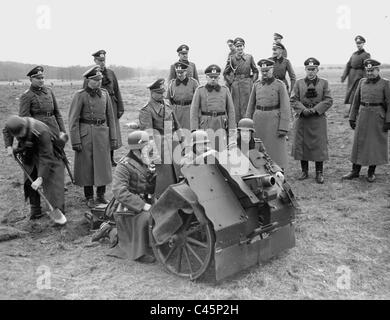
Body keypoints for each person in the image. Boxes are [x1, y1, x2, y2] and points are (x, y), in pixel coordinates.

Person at [69, 66, 117, 208]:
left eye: (100, 79)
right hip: (86, 135)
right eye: (96, 80)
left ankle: (101, 195)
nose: (99, 82)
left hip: (102, 133)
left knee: (103, 165)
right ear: (89, 80)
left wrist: (113, 137)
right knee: (87, 167)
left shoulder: (105, 94)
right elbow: (73, 120)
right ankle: (89, 196)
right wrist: (75, 140)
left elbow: (111, 117)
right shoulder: (80, 95)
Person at [3, 116, 65, 220]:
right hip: (29, 151)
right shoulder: (14, 124)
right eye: (16, 135)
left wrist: (40, 178)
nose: (19, 137)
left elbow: (46, 156)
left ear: (24, 128)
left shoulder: (41, 131)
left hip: (49, 153)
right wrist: (8, 146)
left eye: (20, 134)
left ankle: (58, 210)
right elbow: (6, 130)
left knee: (52, 182)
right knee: (30, 179)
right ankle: (35, 210)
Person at [342, 59, 390, 183]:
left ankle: (371, 172)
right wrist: (352, 117)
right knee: (359, 142)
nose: (369, 73)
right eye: (367, 70)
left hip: (378, 117)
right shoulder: (362, 82)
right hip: (363, 116)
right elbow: (356, 101)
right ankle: (355, 171)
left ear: (378, 70)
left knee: (374, 144)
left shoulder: (385, 83)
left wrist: (388, 121)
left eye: (372, 70)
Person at [290, 58, 333, 184]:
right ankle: (304, 171)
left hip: (318, 118)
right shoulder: (298, 83)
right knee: (302, 144)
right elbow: (293, 99)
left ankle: (319, 172)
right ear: (305, 70)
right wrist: (303, 110)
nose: (311, 72)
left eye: (313, 69)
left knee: (319, 145)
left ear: (317, 69)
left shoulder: (324, 83)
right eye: (309, 69)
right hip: (303, 118)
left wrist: (315, 110)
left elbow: (328, 100)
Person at [139, 78, 182, 198]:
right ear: (152, 93)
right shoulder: (146, 110)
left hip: (173, 144)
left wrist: (183, 140)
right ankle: (160, 198)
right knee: (163, 178)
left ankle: (177, 196)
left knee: (178, 173)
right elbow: (148, 134)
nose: (162, 95)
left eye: (163, 92)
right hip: (160, 147)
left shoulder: (167, 104)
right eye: (159, 93)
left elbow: (177, 124)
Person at [245, 59, 290, 170]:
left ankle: (279, 171)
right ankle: (261, 170)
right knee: (258, 148)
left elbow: (285, 107)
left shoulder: (280, 85)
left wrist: (283, 127)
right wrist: (246, 124)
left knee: (275, 150)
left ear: (272, 69)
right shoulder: (256, 85)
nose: (264, 73)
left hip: (274, 121)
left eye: (267, 70)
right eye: (262, 70)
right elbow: (250, 105)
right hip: (258, 121)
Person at [89, 50, 124, 166]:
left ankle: (111, 158)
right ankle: (101, 159)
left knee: (112, 132)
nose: (102, 63)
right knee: (101, 132)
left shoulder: (111, 73)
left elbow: (117, 90)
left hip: (112, 106)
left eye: (103, 60)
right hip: (99, 107)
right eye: (99, 60)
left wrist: (120, 107)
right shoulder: (90, 74)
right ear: (94, 61)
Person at [190, 64, 237, 151]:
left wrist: (232, 129)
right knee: (207, 149)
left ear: (219, 78)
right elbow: (194, 111)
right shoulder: (200, 90)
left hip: (221, 124)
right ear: (206, 77)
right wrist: (194, 129)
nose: (213, 79)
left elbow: (231, 111)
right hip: (206, 124)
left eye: (215, 77)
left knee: (222, 149)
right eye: (210, 77)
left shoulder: (225, 90)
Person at [19, 66, 67, 138]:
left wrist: (63, 131)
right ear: (31, 79)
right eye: (38, 78)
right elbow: (24, 117)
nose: (41, 80)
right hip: (38, 130)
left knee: (57, 148)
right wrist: (32, 132)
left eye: (42, 78)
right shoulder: (27, 95)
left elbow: (57, 113)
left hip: (53, 127)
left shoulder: (49, 91)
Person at [223, 37, 259, 123]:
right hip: (236, 86)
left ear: (244, 46)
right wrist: (231, 82)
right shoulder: (232, 58)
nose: (239, 48)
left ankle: (249, 126)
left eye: (241, 46)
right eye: (237, 46)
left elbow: (255, 71)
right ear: (235, 47)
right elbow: (225, 73)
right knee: (236, 107)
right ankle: (237, 128)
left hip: (247, 85)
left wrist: (252, 81)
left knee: (248, 107)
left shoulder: (249, 57)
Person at [341, 36, 371, 118]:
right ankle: (350, 112)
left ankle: (355, 113)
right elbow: (348, 65)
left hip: (359, 76)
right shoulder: (353, 54)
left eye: (360, 43)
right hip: (351, 76)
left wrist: (366, 78)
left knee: (356, 94)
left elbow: (367, 67)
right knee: (350, 93)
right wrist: (344, 76)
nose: (358, 45)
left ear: (363, 43)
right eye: (357, 43)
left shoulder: (366, 54)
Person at [167, 62, 199, 130]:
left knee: (189, 131)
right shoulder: (172, 84)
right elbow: (168, 99)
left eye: (181, 72)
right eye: (177, 72)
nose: (179, 74)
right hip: (176, 111)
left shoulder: (193, 83)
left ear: (186, 72)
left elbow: (198, 99)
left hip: (189, 110)